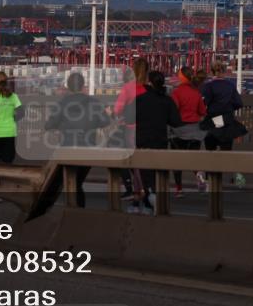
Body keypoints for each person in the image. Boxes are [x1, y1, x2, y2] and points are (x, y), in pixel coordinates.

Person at [44, 72, 110, 207]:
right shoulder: (94, 102)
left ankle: (73, 210)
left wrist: (60, 126)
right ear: (83, 85)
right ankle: (78, 210)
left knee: (71, 182)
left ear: (68, 87)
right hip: (88, 149)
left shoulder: (62, 103)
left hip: (67, 149)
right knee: (77, 182)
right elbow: (105, 121)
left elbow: (49, 125)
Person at [126, 71, 182, 214]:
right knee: (159, 173)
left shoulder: (139, 100)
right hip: (160, 141)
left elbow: (128, 118)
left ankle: (150, 201)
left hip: (142, 141)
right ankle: (153, 201)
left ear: (149, 82)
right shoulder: (167, 101)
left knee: (145, 174)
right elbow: (176, 122)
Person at [200, 61, 246, 188]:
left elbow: (203, 104)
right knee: (227, 154)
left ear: (212, 72)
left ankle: (210, 182)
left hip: (213, 123)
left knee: (210, 154)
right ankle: (239, 178)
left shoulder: (208, 86)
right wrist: (229, 109)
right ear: (224, 72)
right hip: (227, 122)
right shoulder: (230, 85)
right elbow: (239, 103)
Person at [113, 58, 149, 198]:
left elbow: (117, 109)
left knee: (127, 159)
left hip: (130, 128)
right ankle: (145, 188)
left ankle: (133, 189)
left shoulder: (128, 87)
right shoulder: (149, 87)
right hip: (147, 128)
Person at [170, 66, 207, 196]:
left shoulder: (176, 92)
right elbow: (203, 111)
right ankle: (199, 174)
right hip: (195, 131)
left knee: (177, 161)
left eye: (178, 73)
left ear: (182, 76)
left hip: (179, 131)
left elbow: (173, 111)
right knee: (193, 159)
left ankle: (179, 189)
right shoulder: (196, 93)